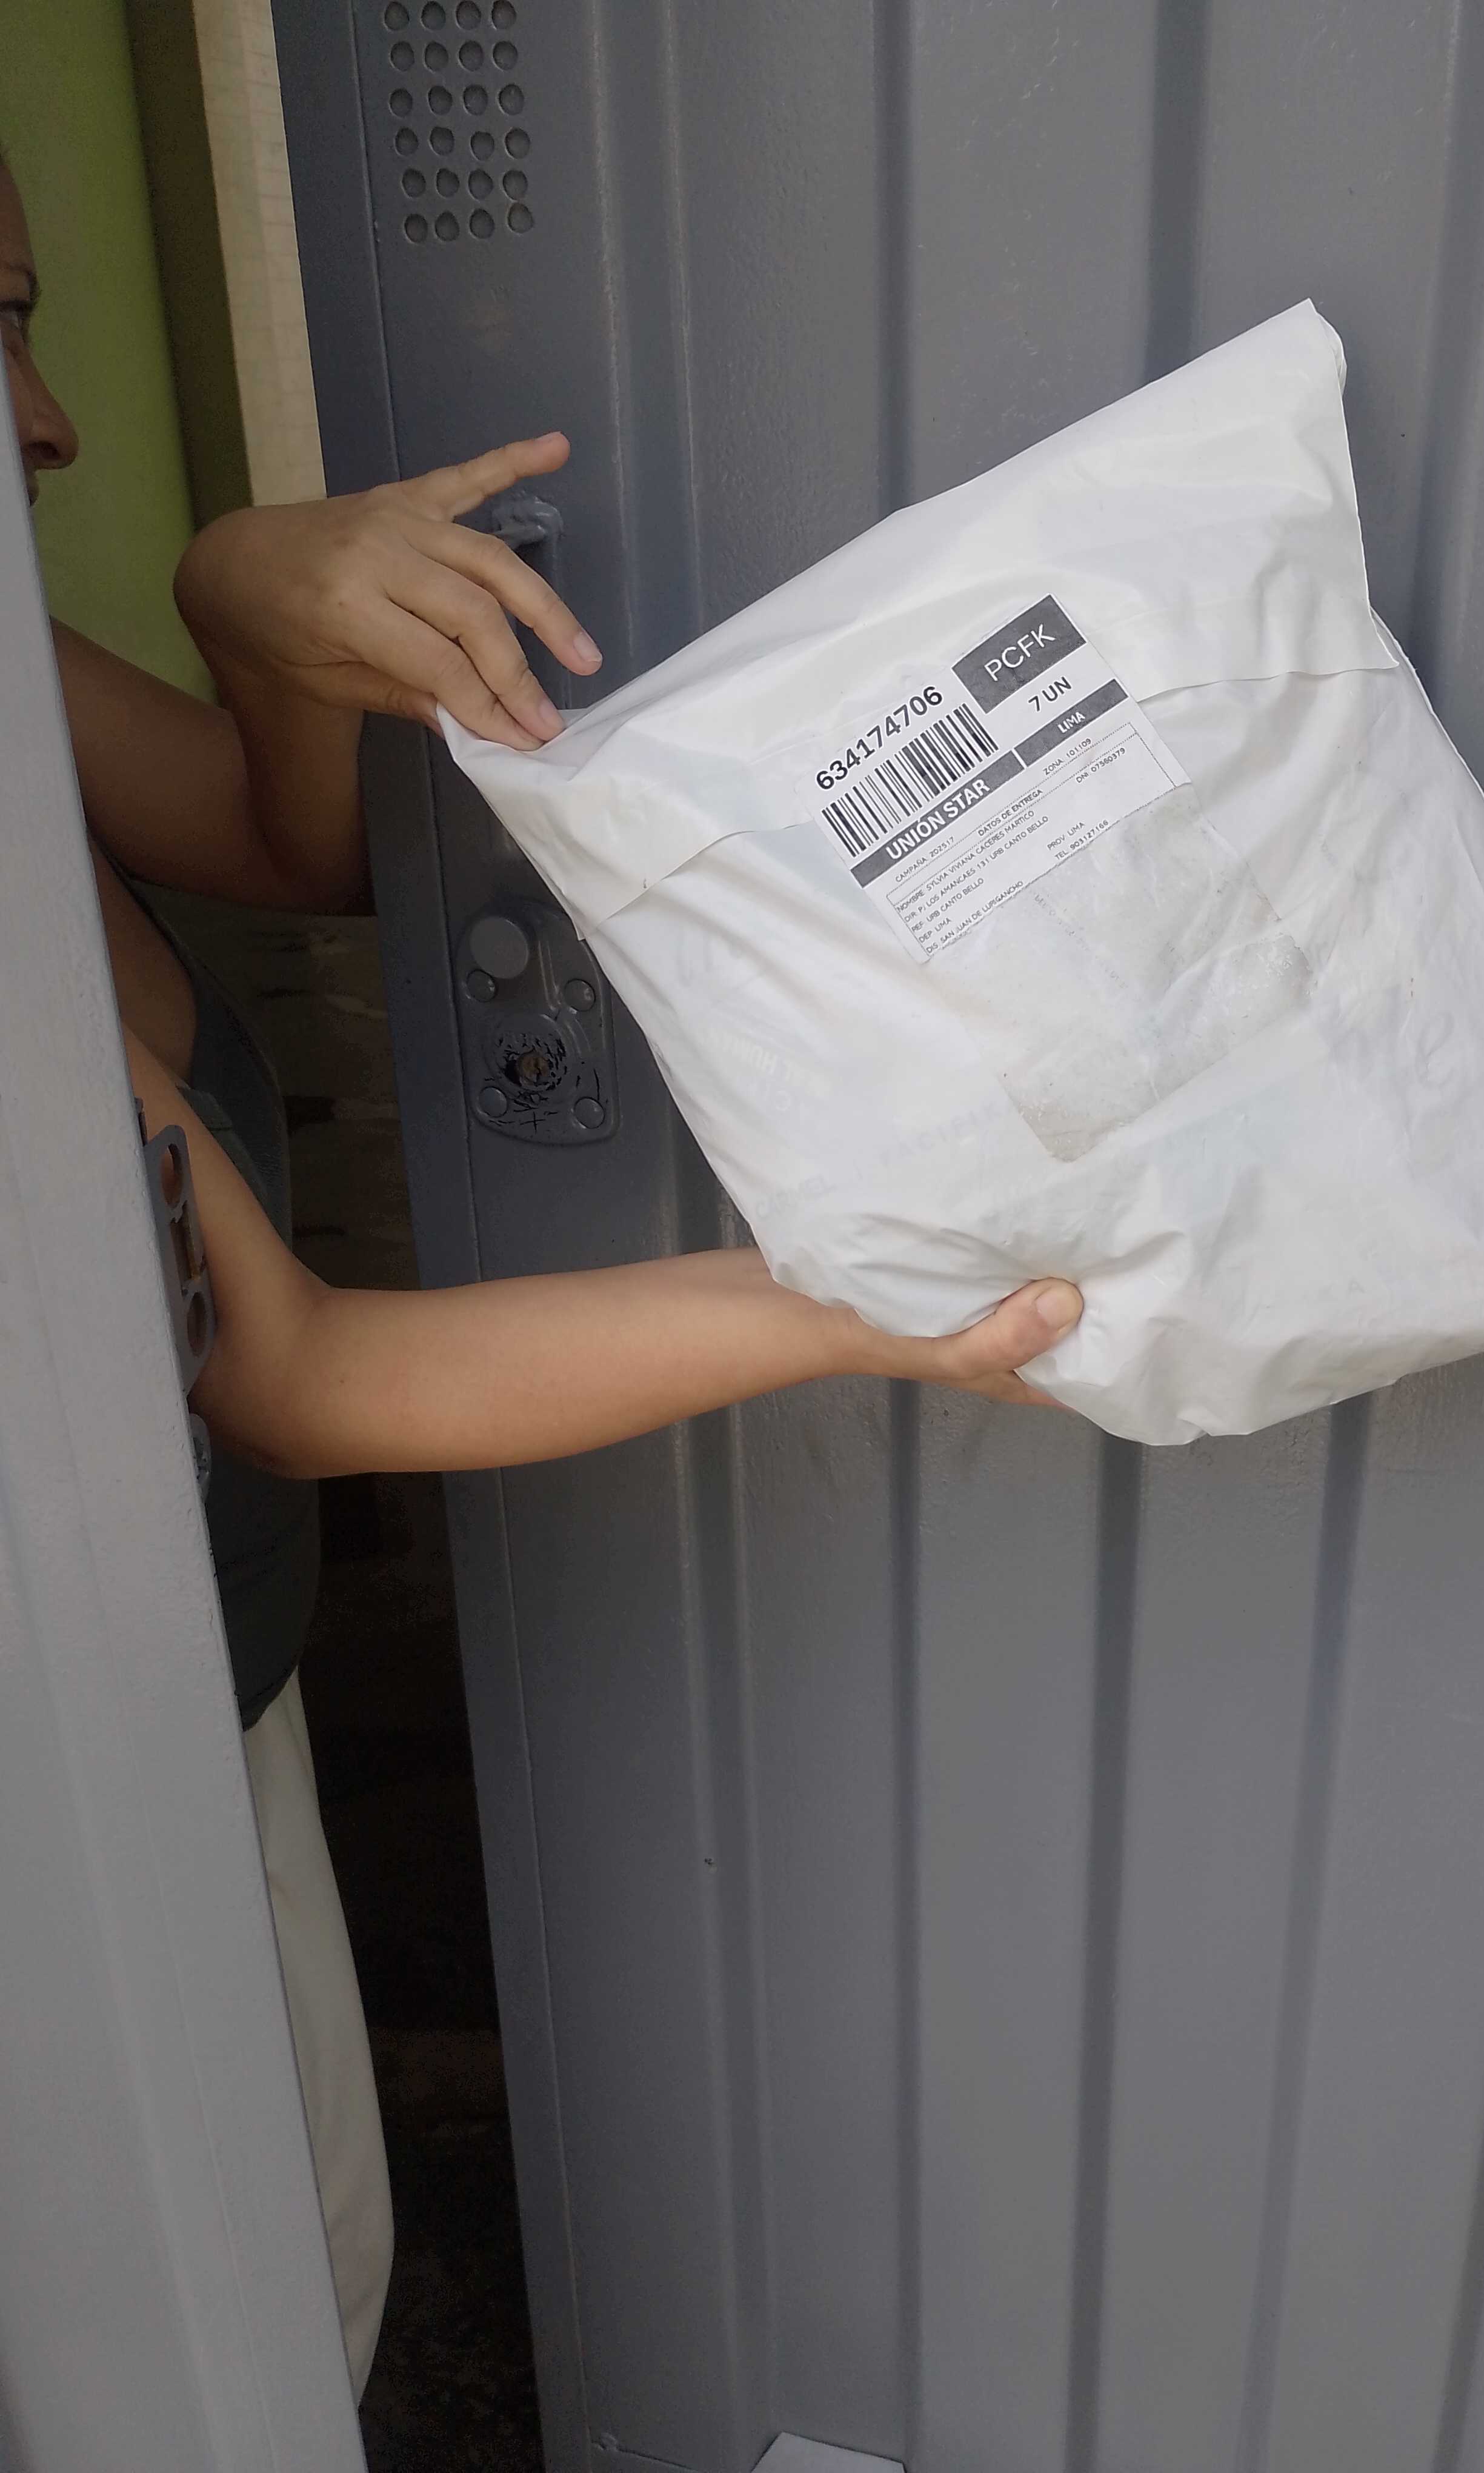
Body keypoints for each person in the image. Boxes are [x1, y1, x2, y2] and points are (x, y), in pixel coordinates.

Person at [3, 156, 1079, 2399]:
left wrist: (245, 602)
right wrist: (851, 1311)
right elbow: (297, 1370)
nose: (52, 421)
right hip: (78, 1787)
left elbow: (296, 845)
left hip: (208, 1665)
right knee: (242, 2324)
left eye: (22, 319)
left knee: (303, 2269)